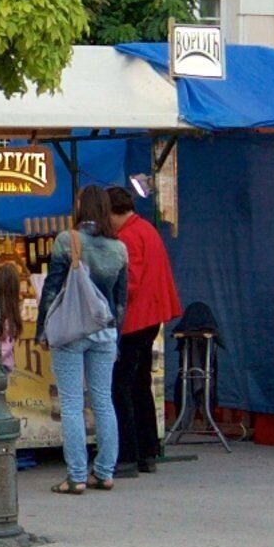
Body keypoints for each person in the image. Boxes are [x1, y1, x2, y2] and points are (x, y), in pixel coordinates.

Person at [40, 188, 129, 494]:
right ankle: (104, 472)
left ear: (80, 207)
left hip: (71, 331)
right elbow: (120, 301)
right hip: (105, 332)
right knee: (103, 401)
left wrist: (43, 329)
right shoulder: (119, 248)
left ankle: (76, 475)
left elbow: (51, 290)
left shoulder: (68, 241)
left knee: (72, 404)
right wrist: (115, 335)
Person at [107, 181, 181, 477]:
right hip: (153, 316)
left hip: (135, 319)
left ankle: (126, 454)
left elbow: (129, 283)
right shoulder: (146, 229)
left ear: (113, 213)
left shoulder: (126, 237)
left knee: (121, 385)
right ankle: (147, 451)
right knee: (140, 384)